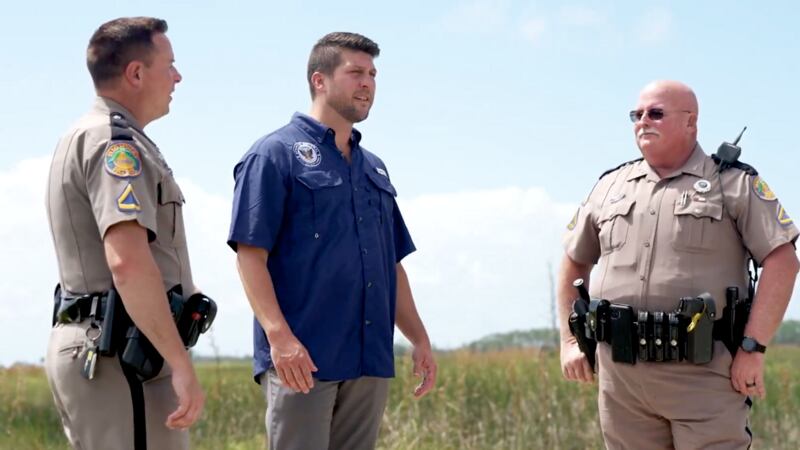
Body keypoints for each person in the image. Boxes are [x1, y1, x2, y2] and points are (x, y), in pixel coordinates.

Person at [559, 80, 799, 449]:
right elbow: (574, 262)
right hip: (621, 380)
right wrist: (570, 341)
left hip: (702, 376)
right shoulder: (611, 186)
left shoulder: (731, 183)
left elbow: (783, 262)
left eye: (655, 113)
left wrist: (753, 348)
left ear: (691, 122)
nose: (643, 122)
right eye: (635, 115)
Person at [228, 32, 437, 450]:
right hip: (304, 360)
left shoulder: (373, 168)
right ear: (319, 80)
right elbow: (250, 255)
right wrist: (279, 338)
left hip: (368, 358)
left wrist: (419, 338)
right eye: (355, 72)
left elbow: (390, 264)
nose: (368, 83)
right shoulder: (273, 155)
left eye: (373, 74)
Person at [45, 17, 204, 450]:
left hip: (109, 349)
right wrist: (178, 361)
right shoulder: (115, 143)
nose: (177, 76)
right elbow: (128, 262)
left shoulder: (88, 135)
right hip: (123, 358)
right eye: (169, 65)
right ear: (136, 73)